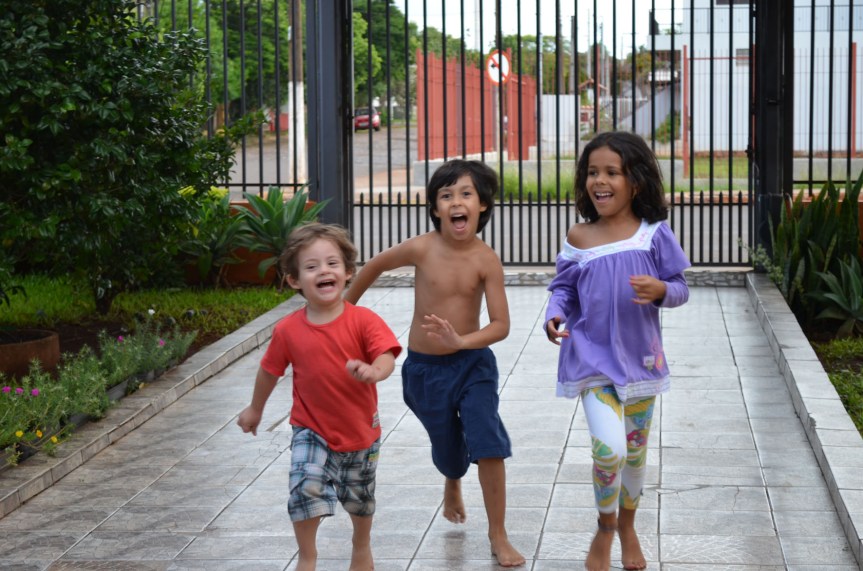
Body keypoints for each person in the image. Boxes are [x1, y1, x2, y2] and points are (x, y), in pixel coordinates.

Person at [344, 159, 526, 567]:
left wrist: (461, 340)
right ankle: (452, 478)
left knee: (487, 440)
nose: (456, 202)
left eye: (466, 194)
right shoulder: (421, 248)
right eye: (446, 196)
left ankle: (498, 534)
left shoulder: (485, 259)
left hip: (473, 364)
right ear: (434, 208)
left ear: (482, 206)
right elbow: (373, 265)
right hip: (425, 371)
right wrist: (343, 313)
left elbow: (501, 325)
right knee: (449, 449)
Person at [544, 131, 690, 571]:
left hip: (642, 364)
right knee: (610, 451)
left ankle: (628, 526)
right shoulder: (580, 235)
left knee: (635, 455)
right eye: (592, 172)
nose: (598, 181)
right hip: (591, 360)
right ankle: (605, 527)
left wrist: (662, 289)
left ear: (637, 181)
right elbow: (564, 288)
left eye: (611, 172)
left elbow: (682, 289)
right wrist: (554, 314)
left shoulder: (654, 235)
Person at [237, 223, 402, 571]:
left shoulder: (363, 320)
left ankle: (361, 545)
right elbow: (269, 371)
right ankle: (307, 555)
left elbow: (386, 354)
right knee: (305, 487)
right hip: (311, 430)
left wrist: (375, 371)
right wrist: (255, 409)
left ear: (347, 272)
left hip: (360, 433)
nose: (323, 271)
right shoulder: (288, 330)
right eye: (311, 267)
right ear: (295, 280)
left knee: (360, 499)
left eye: (331, 263)